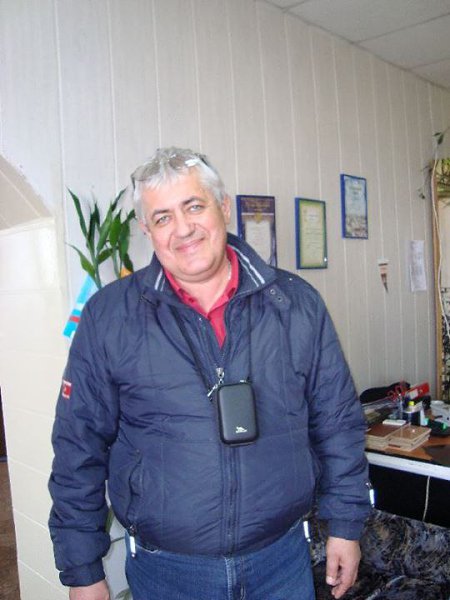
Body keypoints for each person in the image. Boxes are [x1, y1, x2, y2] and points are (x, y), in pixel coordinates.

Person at [49, 147, 371, 600]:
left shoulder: (297, 304)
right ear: (146, 230)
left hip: (281, 563)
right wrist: (82, 570)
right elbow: (77, 446)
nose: (182, 229)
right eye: (162, 217)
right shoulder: (109, 316)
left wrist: (346, 524)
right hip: (168, 575)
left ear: (223, 207)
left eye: (194, 206)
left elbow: (337, 422)